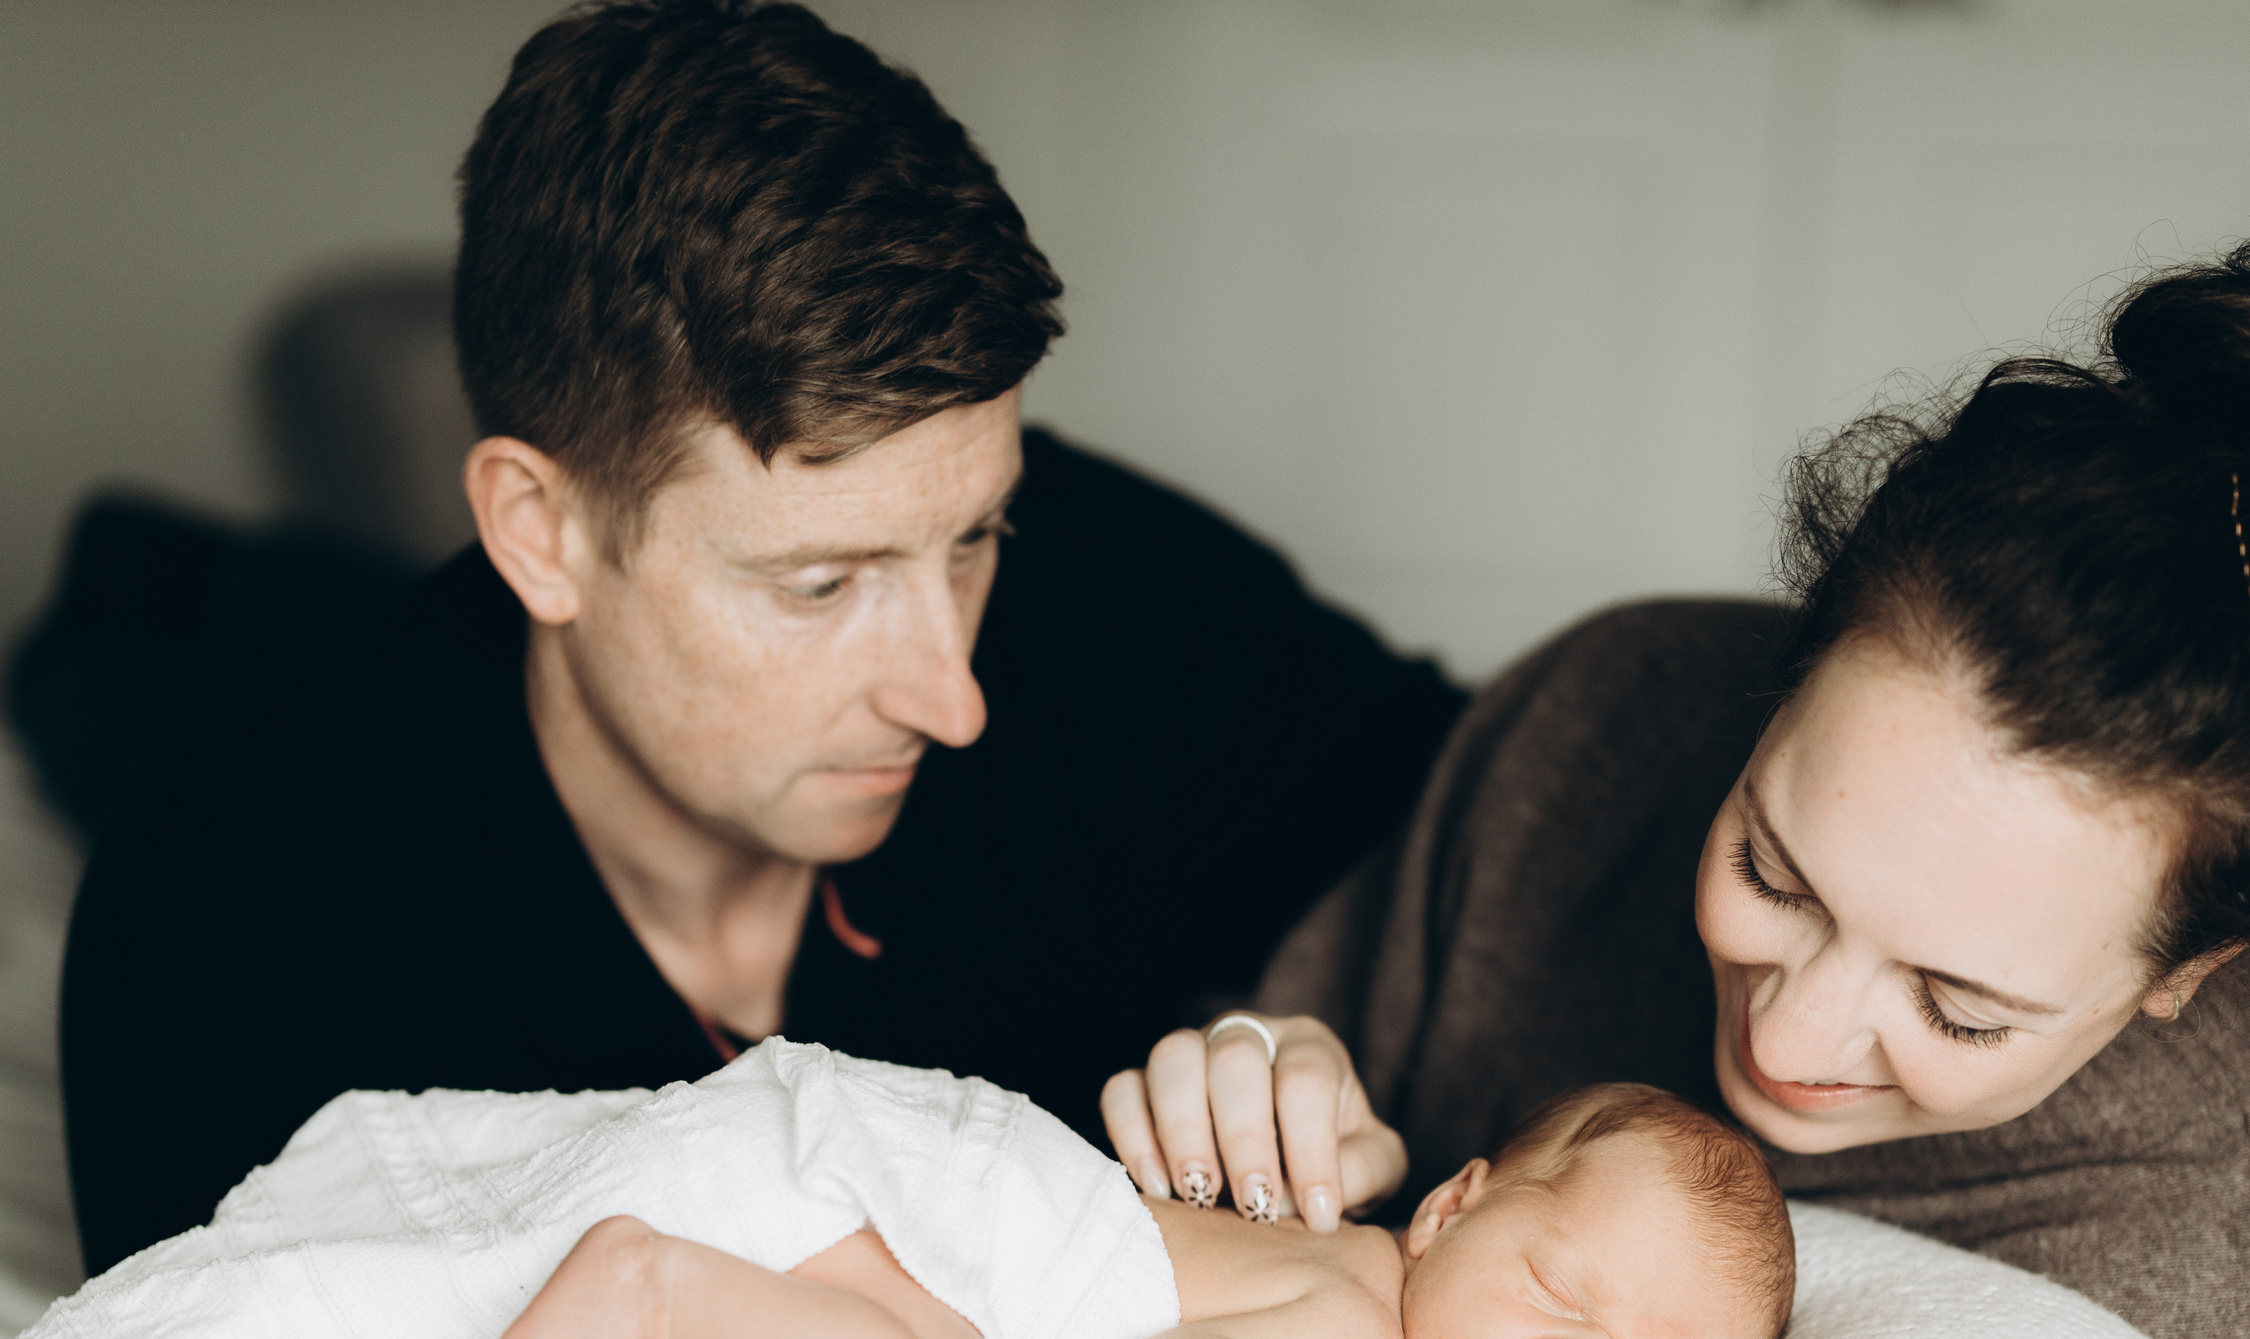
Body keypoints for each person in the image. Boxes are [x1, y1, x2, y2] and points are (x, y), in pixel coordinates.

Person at [1100, 239, 2250, 1339]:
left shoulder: (2218, 1297)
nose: (1790, 1037)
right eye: (1772, 873)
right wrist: (1275, 1128)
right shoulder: (1602, 732)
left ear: (2210, 957)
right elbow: (1263, 1270)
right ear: (1779, 690)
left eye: (1957, 1006)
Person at [56, 0, 1462, 1274]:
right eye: (818, 585)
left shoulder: (1110, 588)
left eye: (974, 540)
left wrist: (1321, 1062)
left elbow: (1496, 830)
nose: (953, 699)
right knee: (114, 680)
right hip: (290, 713)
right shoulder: (229, 924)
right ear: (537, 532)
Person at [465, 1077, 1794, 1339]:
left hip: (907, 1179)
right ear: (1449, 1210)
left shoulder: (1347, 1286)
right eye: (1564, 1298)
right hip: (921, 1215)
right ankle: (658, 1290)